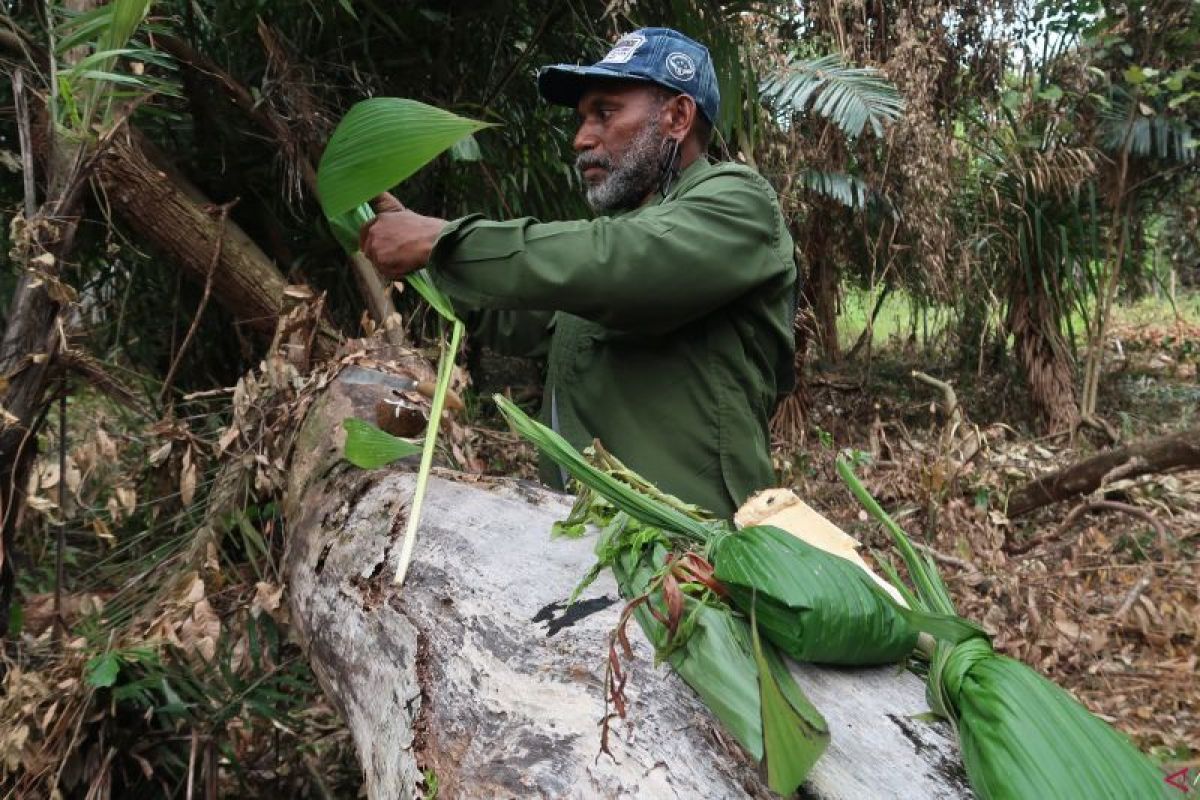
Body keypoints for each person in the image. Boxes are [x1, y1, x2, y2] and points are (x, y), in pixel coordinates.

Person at [359, 28, 797, 518]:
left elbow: (622, 263)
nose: (581, 138)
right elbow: (525, 315)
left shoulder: (738, 202)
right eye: (582, 118)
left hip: (694, 559)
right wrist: (427, 262)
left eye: (605, 113)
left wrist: (442, 239)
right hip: (589, 547)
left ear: (677, 117)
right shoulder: (607, 244)